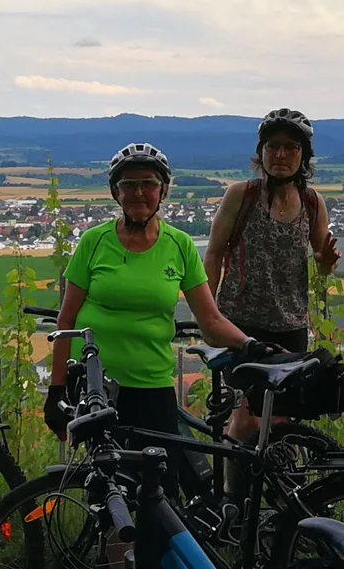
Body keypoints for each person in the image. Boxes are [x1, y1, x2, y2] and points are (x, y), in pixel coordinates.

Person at [43, 142, 276, 488]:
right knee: (108, 489)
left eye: (148, 183)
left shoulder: (179, 245)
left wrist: (250, 344)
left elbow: (210, 320)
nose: (138, 192)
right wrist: (56, 390)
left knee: (161, 490)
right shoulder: (93, 242)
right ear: (115, 192)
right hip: (95, 388)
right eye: (128, 184)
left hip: (152, 386)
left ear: (163, 191)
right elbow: (66, 323)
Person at [204, 107, 341, 444]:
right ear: (261, 152)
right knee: (246, 420)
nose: (280, 154)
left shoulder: (312, 203)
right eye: (272, 146)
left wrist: (326, 262)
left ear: (304, 156)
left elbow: (322, 266)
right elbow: (214, 253)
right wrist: (209, 314)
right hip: (240, 324)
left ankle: (279, 478)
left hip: (290, 327)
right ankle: (234, 479)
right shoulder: (241, 196)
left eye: (291, 147)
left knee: (281, 421)